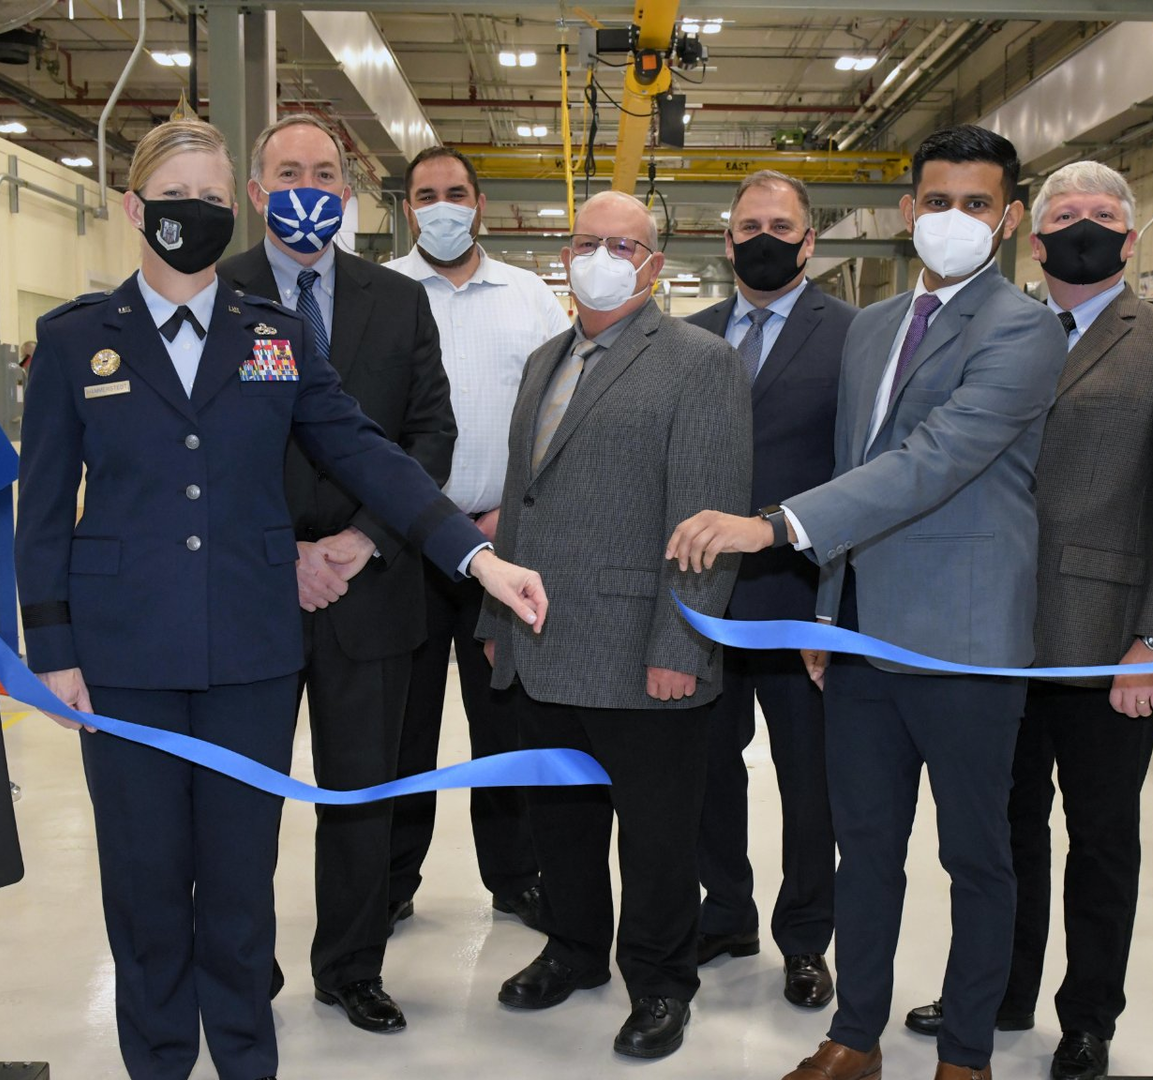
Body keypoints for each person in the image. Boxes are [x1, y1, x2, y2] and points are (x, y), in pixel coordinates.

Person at [16, 118, 548, 1080]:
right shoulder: (75, 341)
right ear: (136, 209)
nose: (199, 215)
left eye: (215, 200)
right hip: (123, 657)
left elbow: (368, 456)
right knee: (141, 884)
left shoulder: (273, 338)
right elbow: (43, 509)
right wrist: (52, 648)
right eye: (180, 196)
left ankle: (246, 1060)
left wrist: (475, 558)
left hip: (250, 658)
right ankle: (161, 1060)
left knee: (236, 883)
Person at [666, 124, 1067, 1080]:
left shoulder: (1023, 330)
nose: (954, 220)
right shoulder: (877, 327)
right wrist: (828, 612)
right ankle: (855, 1036)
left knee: (976, 858)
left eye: (977, 205)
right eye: (937, 202)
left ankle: (965, 1053)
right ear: (906, 213)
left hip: (965, 642)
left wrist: (773, 527)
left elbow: (933, 464)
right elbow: (857, 465)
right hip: (859, 637)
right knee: (866, 853)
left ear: (1009, 220)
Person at [902, 160, 1153, 1080]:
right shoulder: (994, 331)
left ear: (1130, 240)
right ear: (1033, 236)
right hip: (992, 639)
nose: (1081, 226)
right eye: (1063, 214)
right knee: (1001, 832)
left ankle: (1088, 1015)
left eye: (1101, 215)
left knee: (1100, 839)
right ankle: (1000, 991)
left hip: (1105, 647)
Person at [484, 190, 751, 1060]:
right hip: (543, 642)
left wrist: (684, 644)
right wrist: (500, 617)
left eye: (623, 244)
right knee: (559, 819)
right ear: (566, 253)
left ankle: (662, 982)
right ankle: (573, 949)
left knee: (658, 835)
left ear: (653, 264)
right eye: (587, 241)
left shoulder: (697, 362)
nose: (602, 255)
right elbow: (522, 507)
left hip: (645, 649)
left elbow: (706, 522)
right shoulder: (542, 361)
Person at [215, 115, 456, 1035]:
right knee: (243, 794)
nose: (306, 186)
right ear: (254, 189)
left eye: (324, 172)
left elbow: (428, 436)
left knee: (363, 793)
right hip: (249, 587)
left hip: (372, 582)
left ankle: (352, 966)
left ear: (348, 193)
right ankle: (242, 968)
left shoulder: (396, 302)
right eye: (288, 171)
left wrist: (361, 539)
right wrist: (283, 554)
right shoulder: (212, 291)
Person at [383, 145, 571, 932]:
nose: (443, 207)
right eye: (427, 194)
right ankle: (390, 878)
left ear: (481, 202)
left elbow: (564, 415)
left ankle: (516, 874)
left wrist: (514, 520)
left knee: (505, 718)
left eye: (456, 192)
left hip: (503, 543)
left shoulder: (529, 298)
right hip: (401, 545)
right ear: (406, 207)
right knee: (400, 723)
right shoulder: (381, 294)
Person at [684, 169, 854, 1009]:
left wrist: (836, 606)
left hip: (799, 603)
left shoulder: (854, 336)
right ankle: (726, 911)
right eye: (748, 224)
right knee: (710, 771)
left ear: (809, 240)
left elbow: (862, 476)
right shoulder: (689, 334)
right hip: (706, 601)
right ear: (726, 240)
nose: (763, 237)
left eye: (781, 225)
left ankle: (804, 937)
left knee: (808, 781)